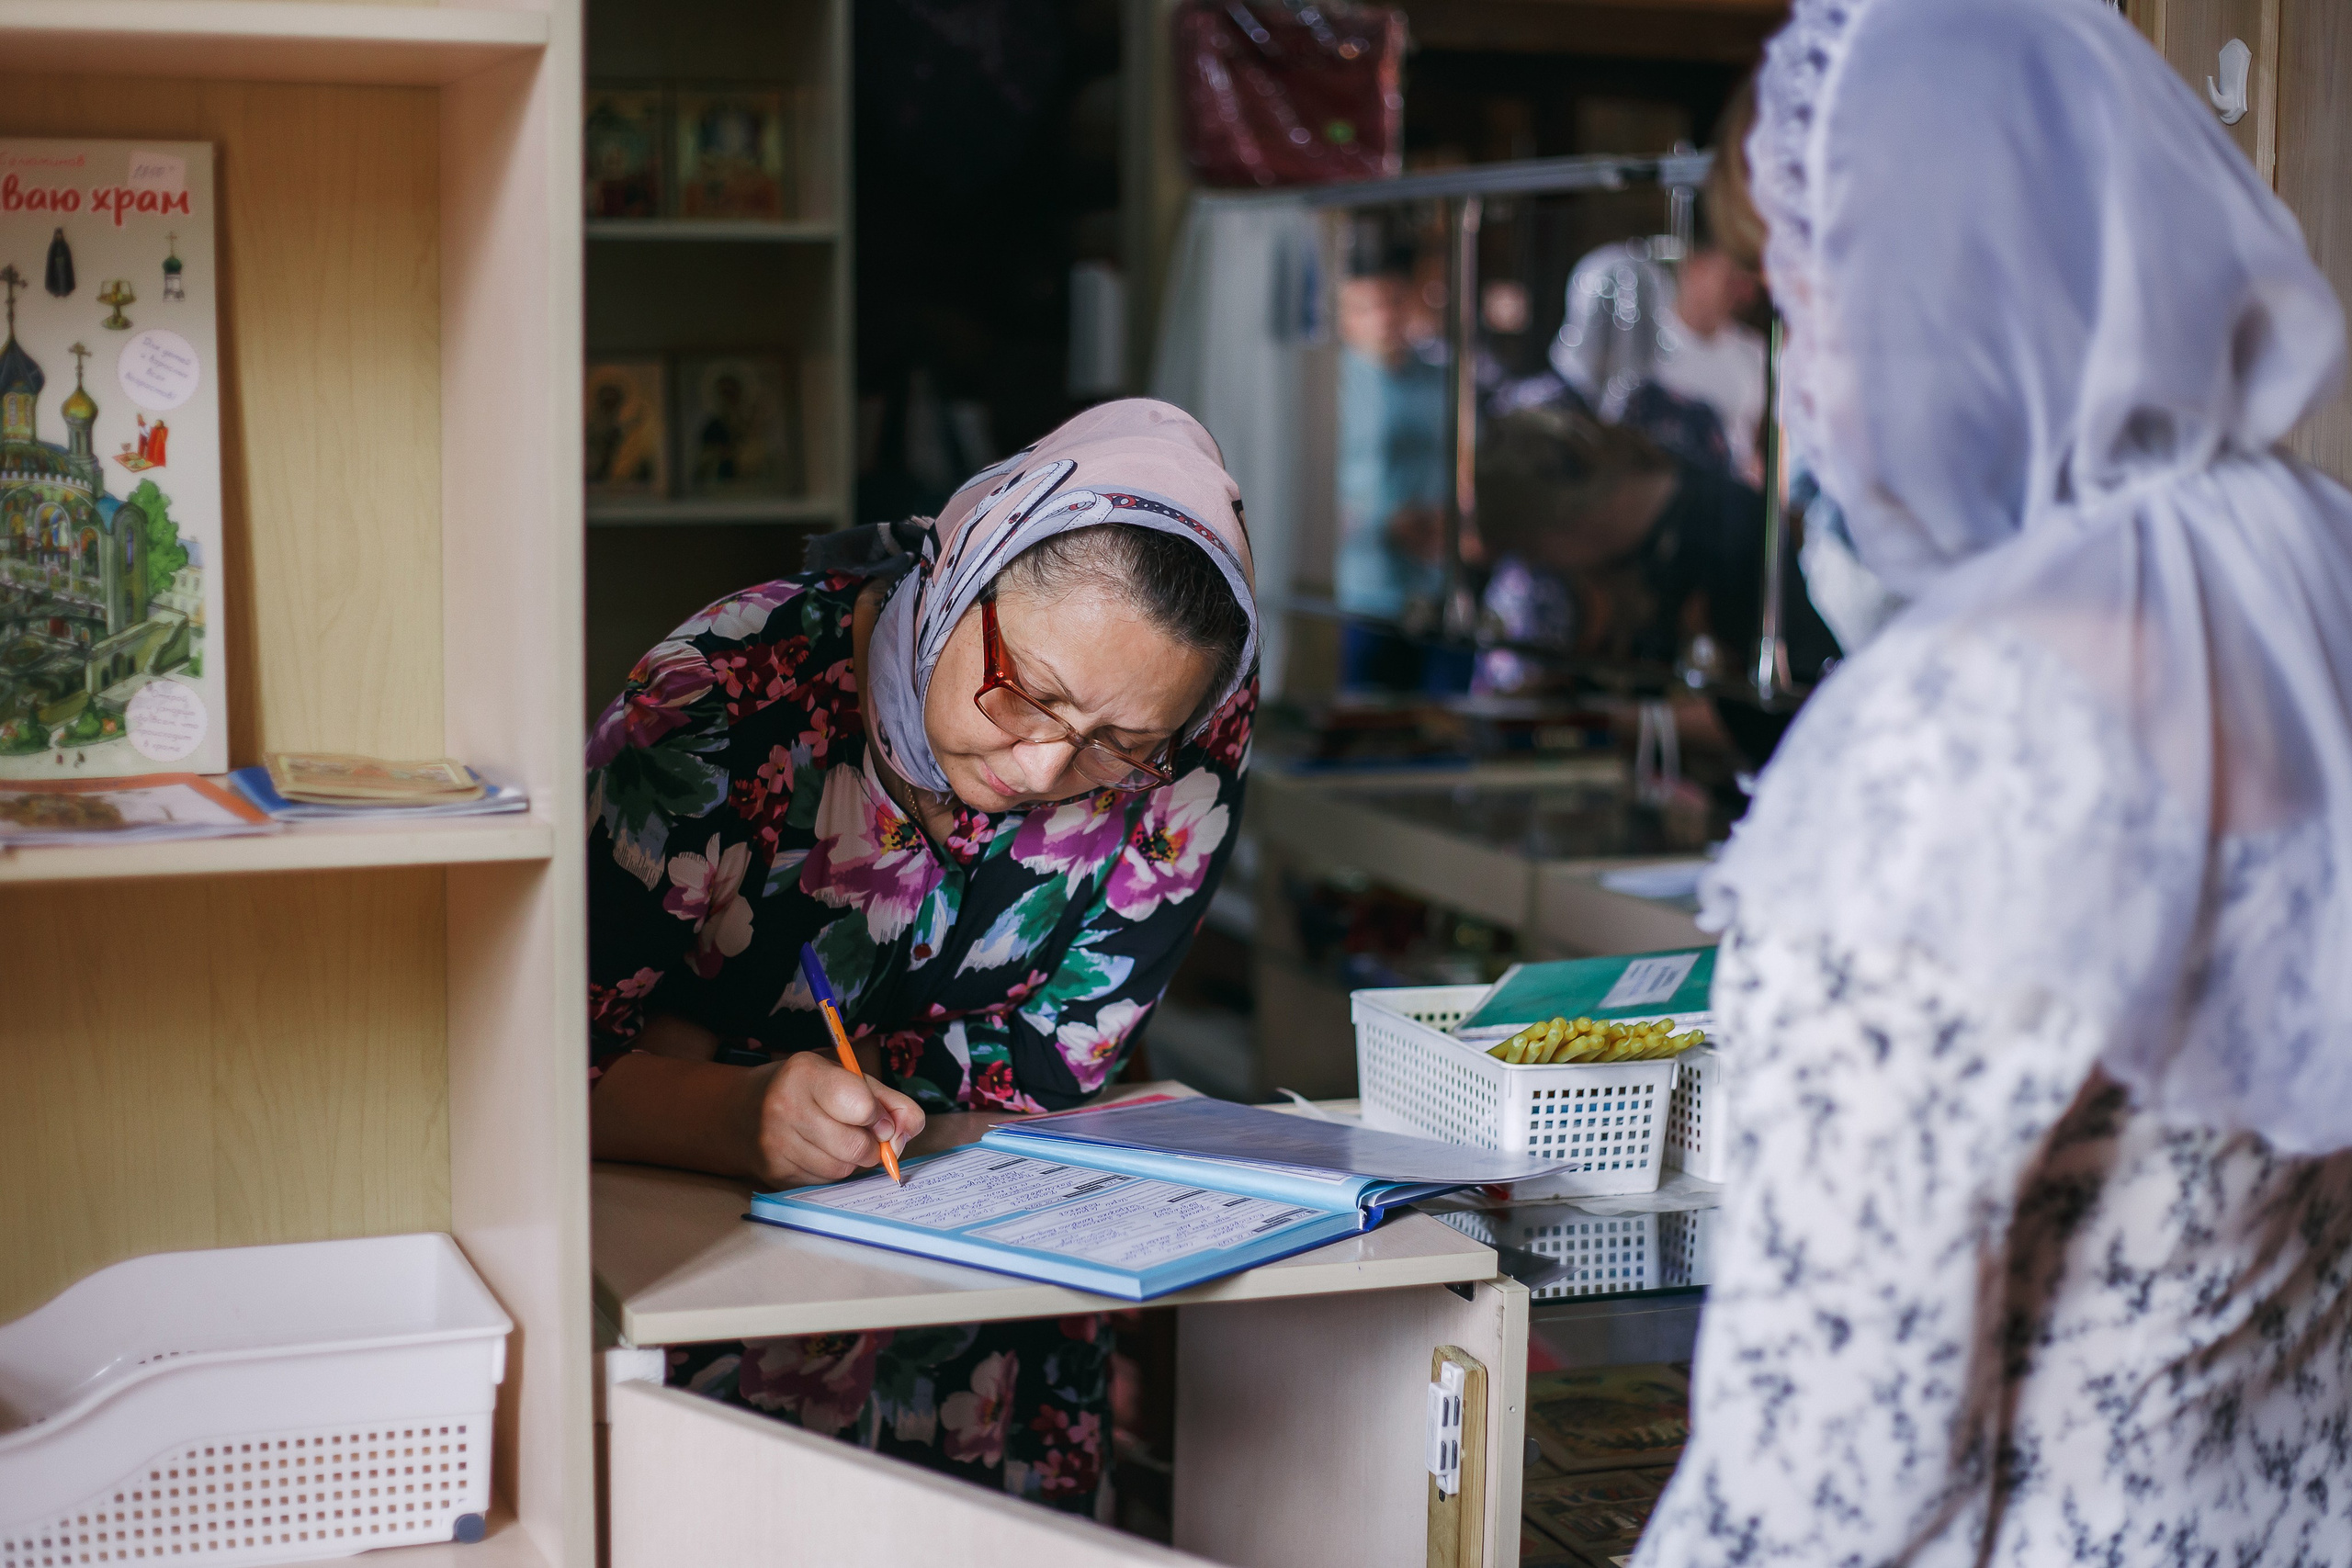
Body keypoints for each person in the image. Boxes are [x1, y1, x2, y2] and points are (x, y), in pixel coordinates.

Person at [1638, 2, 2352, 1564]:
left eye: (1806, 294)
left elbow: (1835, 1463)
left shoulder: (1960, 730)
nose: (1805, 362)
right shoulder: (2314, 578)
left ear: (1923, 294)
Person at [585, 399, 1256, 1514]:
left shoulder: (1193, 734)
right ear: (958, 574)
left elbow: (1050, 1084)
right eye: (1026, 694)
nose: (1045, 770)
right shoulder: (721, 699)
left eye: (1117, 746)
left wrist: (687, 1051)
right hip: (711, 1306)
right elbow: (523, 1080)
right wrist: (735, 1113)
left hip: (1007, 1324)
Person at [1333, 257, 1469, 693]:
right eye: (1367, 307)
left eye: (1393, 301)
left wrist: (1456, 522)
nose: (1385, 317)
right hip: (1359, 596)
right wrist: (1387, 523)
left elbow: (1471, 465)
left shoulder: (1444, 383)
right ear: (1343, 319)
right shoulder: (1330, 390)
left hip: (1437, 591)